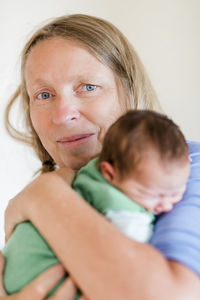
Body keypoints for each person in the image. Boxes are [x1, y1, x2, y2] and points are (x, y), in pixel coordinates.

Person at [1, 14, 200, 300]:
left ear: (129, 90)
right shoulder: (68, 185)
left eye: (88, 87)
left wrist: (43, 197)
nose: (63, 114)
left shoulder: (186, 167)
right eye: (44, 95)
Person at [3, 109, 191, 298]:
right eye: (152, 194)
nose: (165, 205)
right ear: (110, 173)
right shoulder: (121, 208)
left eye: (175, 193)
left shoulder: (93, 170)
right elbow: (131, 262)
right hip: (36, 276)